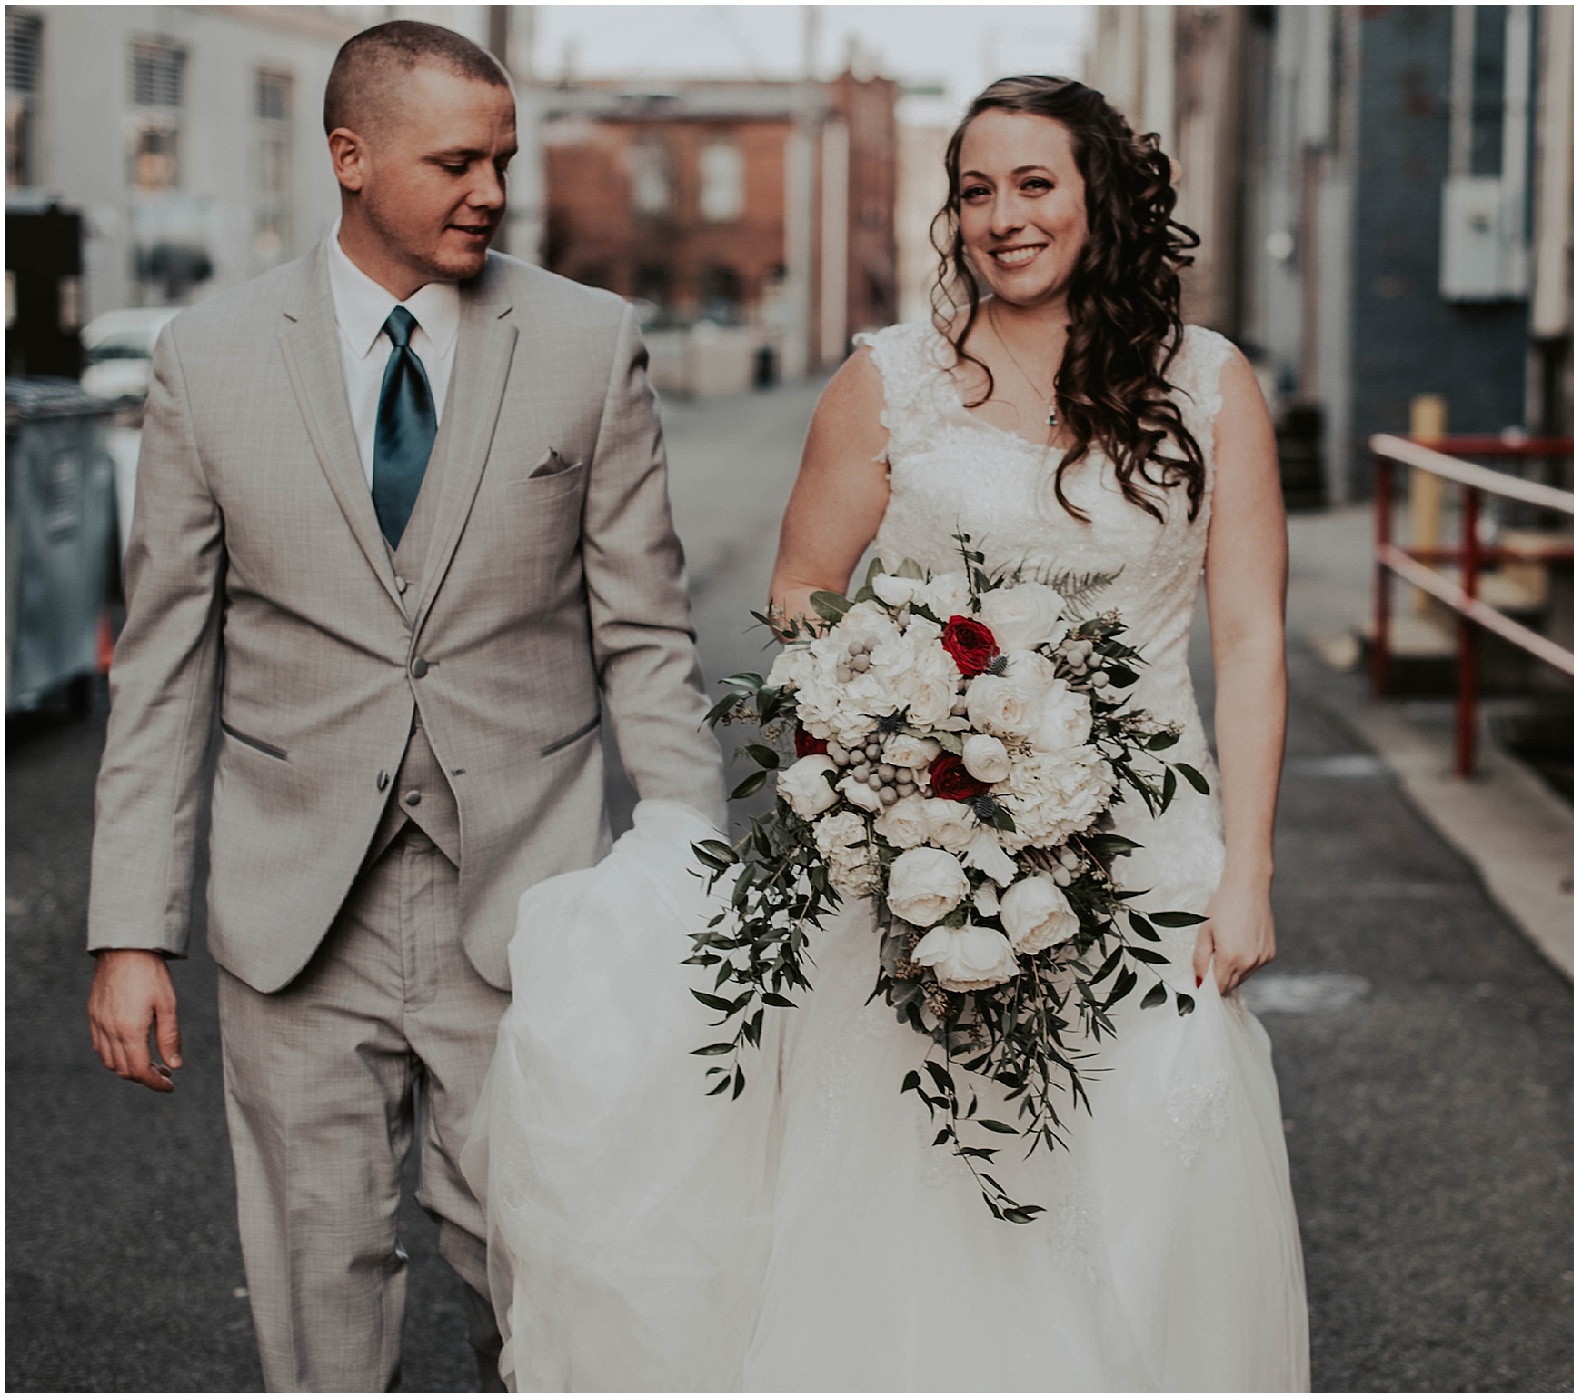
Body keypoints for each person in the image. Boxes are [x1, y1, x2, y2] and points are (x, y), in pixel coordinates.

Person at [479, 75, 1309, 1389]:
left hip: (1153, 858)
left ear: (1102, 198)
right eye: (975, 189)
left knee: (1154, 1175)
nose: (1001, 217)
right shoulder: (891, 381)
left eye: (1035, 184)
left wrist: (1248, 870)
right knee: (938, 1194)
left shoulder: (1209, 386)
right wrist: (907, 721)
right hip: (936, 845)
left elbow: (1252, 639)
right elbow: (803, 595)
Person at [82, 21, 721, 1391]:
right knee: (321, 1289)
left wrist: (684, 879)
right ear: (350, 159)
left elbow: (650, 638)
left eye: (503, 157)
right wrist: (132, 931)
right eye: (455, 162)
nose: (491, 190)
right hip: (291, 906)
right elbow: (166, 661)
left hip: (529, 898)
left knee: (548, 1272)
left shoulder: (589, 342)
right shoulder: (210, 354)